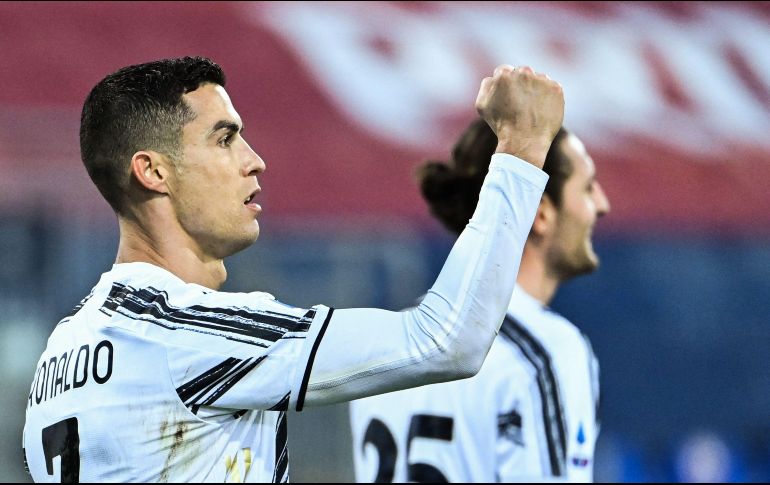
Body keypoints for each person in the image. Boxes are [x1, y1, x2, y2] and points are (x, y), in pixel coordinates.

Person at [22, 57, 563, 482]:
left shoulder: (59, 355)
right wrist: (521, 148)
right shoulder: (185, 332)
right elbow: (445, 340)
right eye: (224, 138)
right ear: (153, 171)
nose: (254, 160)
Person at [349, 118, 610, 482]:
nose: (602, 204)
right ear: (541, 213)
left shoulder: (390, 345)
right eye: (588, 187)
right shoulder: (548, 350)